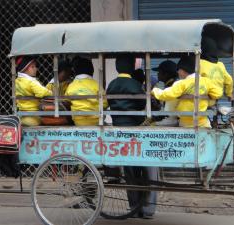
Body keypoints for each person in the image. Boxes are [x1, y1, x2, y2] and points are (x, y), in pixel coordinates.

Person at [106, 54, 158, 218]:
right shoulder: (135, 86)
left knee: (129, 171)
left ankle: (134, 206)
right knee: (149, 168)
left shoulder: (111, 86)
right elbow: (146, 105)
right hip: (138, 132)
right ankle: (148, 209)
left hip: (119, 133)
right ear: (131, 67)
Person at [152, 56, 222, 128]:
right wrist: (207, 98)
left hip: (185, 124)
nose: (178, 72)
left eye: (178, 69)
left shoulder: (182, 83)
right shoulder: (206, 81)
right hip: (203, 123)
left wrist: (155, 91)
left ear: (183, 70)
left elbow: (167, 94)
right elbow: (218, 93)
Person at [64, 56, 108, 126]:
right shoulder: (97, 85)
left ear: (75, 72)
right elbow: (105, 104)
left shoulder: (71, 86)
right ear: (92, 71)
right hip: (96, 121)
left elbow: (66, 103)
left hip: (78, 122)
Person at [15, 56, 53, 126]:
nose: (36, 69)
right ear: (25, 69)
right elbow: (42, 92)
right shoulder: (30, 82)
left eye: (35, 66)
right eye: (32, 67)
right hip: (33, 117)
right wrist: (50, 92)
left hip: (21, 116)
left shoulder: (16, 81)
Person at [200, 36, 234, 103]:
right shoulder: (220, 65)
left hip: (200, 101)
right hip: (214, 100)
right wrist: (229, 94)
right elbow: (229, 81)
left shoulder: (199, 63)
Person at [152, 60, 179, 126]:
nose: (157, 74)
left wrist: (154, 123)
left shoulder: (172, 87)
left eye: (159, 72)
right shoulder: (173, 84)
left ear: (166, 74)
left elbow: (169, 115)